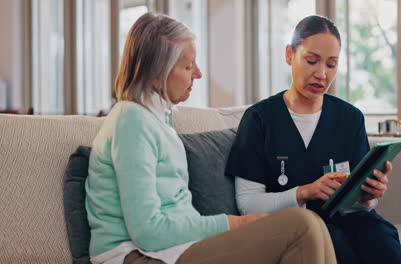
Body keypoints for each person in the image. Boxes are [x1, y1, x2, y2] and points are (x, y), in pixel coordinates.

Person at [85, 13, 337, 264]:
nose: (198, 74)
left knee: (312, 222)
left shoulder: (157, 121)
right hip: (133, 255)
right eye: (187, 66)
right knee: (300, 224)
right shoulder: (131, 121)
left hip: (173, 249)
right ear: (156, 73)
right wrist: (235, 223)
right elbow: (149, 233)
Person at [226, 15, 401, 264]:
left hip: (349, 219)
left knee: (382, 235)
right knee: (333, 241)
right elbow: (247, 204)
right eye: (312, 61)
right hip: (294, 227)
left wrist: (368, 196)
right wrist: (304, 192)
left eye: (331, 65)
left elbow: (356, 205)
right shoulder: (259, 119)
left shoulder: (350, 118)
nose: (322, 74)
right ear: (290, 54)